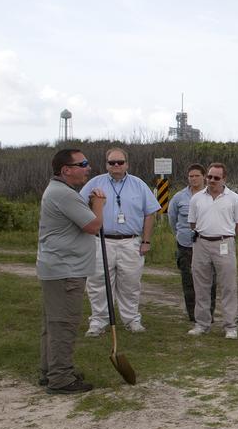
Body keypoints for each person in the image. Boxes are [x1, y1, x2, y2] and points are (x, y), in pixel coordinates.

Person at [37, 148, 102, 393]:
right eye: (82, 164)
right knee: (63, 324)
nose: (88, 168)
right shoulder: (64, 194)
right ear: (66, 170)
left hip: (59, 267)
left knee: (54, 324)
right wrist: (99, 204)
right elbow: (93, 225)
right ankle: (61, 379)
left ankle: (51, 371)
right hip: (65, 270)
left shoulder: (60, 192)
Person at [80, 147, 161, 335]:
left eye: (120, 162)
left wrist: (146, 241)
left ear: (127, 164)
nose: (116, 165)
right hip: (101, 241)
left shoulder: (138, 185)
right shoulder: (95, 183)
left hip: (130, 241)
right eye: (112, 162)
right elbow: (79, 207)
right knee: (97, 282)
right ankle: (99, 321)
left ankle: (131, 319)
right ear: (106, 164)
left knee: (130, 283)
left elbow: (150, 213)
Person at [187, 163, 238, 338]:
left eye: (216, 178)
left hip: (224, 244)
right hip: (201, 244)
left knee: (228, 286)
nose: (212, 180)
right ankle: (202, 324)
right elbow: (192, 223)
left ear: (224, 179)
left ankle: (230, 326)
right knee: (201, 286)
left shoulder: (234, 199)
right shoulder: (197, 198)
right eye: (209, 177)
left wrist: (225, 237)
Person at [166, 164, 214, 324]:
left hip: (207, 244)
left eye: (197, 176)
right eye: (191, 176)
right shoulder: (179, 197)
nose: (193, 179)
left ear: (204, 177)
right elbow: (172, 219)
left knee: (209, 280)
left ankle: (208, 313)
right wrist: (180, 234)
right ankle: (193, 315)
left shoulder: (212, 195)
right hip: (186, 245)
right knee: (188, 280)